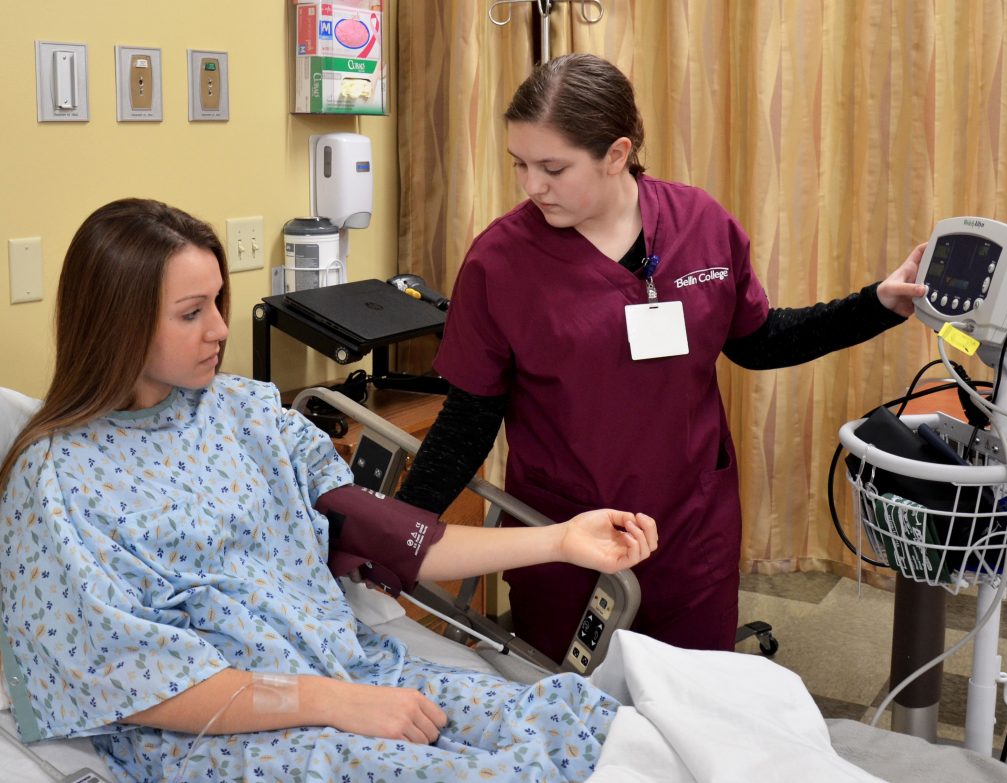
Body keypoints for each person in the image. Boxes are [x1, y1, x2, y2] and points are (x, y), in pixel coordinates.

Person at [0, 198, 658, 783]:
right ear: (119, 324)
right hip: (224, 737)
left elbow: (394, 538)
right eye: (191, 313)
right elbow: (138, 681)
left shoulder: (251, 414)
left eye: (220, 303)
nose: (221, 330)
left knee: (569, 716)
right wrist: (339, 703)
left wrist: (562, 541)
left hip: (355, 667)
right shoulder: (57, 479)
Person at [395, 52, 928, 663]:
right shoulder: (501, 261)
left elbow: (759, 341)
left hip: (690, 525)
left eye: (552, 167)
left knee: (694, 705)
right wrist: (394, 533)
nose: (531, 185)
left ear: (617, 154)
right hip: (565, 534)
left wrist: (876, 305)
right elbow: (469, 420)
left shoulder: (701, 224)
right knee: (572, 717)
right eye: (519, 164)